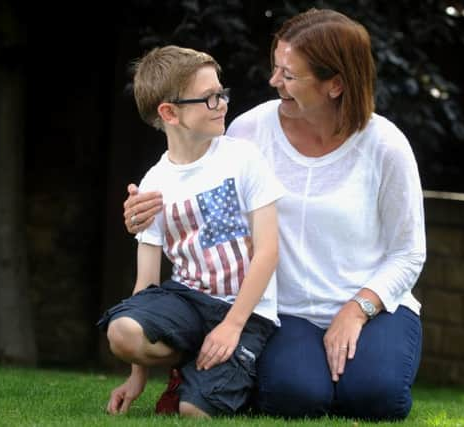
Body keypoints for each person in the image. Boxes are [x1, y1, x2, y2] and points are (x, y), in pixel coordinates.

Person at [123, 8, 426, 421]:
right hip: (286, 313)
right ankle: (208, 375)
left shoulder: (385, 145)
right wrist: (145, 212)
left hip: (373, 307)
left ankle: (349, 373)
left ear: (334, 85)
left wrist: (356, 310)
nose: (273, 82)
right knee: (295, 399)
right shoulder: (249, 132)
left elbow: (409, 253)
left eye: (289, 74)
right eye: (276, 67)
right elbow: (191, 187)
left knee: (377, 399)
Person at [98, 45, 284, 418]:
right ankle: (191, 360)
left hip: (245, 312)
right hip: (186, 302)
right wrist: (137, 376)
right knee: (122, 331)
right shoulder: (154, 183)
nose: (222, 104)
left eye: (221, 94)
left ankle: (212, 376)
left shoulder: (242, 158)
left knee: (192, 412)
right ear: (169, 112)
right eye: (209, 98)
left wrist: (232, 326)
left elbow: (267, 252)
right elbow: (146, 286)